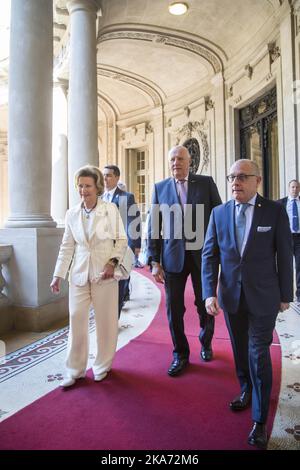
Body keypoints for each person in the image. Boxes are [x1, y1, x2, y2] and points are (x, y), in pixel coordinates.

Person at [201, 159, 293, 449]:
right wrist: (209, 292)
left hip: (264, 296)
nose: (235, 182)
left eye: (242, 177)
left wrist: (285, 295)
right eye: (231, 177)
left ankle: (259, 418)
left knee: (258, 353)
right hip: (230, 296)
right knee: (240, 350)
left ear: (258, 181)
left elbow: (285, 253)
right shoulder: (219, 213)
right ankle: (245, 389)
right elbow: (209, 255)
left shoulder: (276, 211)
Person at [147, 145, 222, 377]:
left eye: (180, 159)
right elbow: (154, 226)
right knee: (174, 309)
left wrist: (221, 252)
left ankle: (206, 339)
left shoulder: (206, 183)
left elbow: (219, 217)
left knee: (205, 305)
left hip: (203, 257)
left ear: (190, 162)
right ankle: (180, 354)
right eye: (172, 159)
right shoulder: (160, 188)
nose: (175, 163)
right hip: (172, 257)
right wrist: (154, 261)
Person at [50, 165, 127, 388]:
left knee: (106, 322)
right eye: (80, 186)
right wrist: (58, 275)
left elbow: (121, 240)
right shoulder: (72, 213)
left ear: (97, 187)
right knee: (76, 319)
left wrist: (112, 263)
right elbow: (67, 247)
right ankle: (74, 369)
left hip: (104, 273)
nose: (83, 190)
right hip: (79, 274)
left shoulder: (110, 209)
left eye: (88, 186)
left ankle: (102, 365)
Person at [102, 165, 142, 315]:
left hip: (121, 249)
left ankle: (113, 321)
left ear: (117, 178)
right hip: (102, 251)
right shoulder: (99, 198)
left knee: (119, 288)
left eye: (109, 175)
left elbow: (133, 222)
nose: (105, 178)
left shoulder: (126, 197)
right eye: (104, 175)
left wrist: (134, 247)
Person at [277, 180, 300, 303]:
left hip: (299, 238)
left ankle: (299, 295)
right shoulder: (280, 203)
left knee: (299, 266)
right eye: (293, 187)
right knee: (285, 266)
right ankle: (284, 293)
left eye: (297, 187)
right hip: (286, 238)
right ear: (289, 188)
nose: (295, 189)